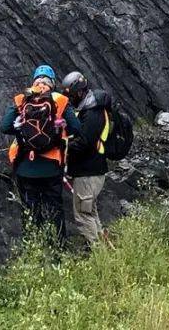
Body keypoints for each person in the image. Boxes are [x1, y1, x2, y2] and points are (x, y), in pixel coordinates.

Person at [1, 65, 80, 246]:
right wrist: (62, 125)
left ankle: (32, 249)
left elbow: (5, 127)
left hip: (25, 167)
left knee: (30, 210)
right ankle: (58, 250)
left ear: (34, 81)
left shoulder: (22, 99)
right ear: (51, 83)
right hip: (52, 167)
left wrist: (18, 126)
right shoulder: (60, 100)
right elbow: (76, 128)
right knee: (55, 210)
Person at [61, 71, 112, 248]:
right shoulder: (89, 109)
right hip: (90, 171)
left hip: (89, 172)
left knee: (83, 215)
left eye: (72, 95)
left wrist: (62, 145)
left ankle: (100, 256)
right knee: (90, 212)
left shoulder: (93, 112)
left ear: (80, 92)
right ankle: (106, 251)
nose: (70, 98)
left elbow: (84, 142)